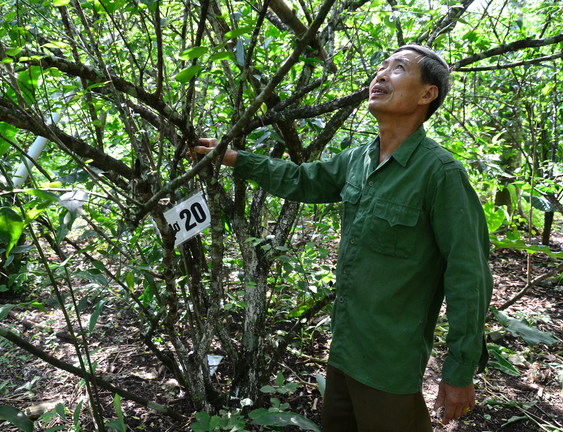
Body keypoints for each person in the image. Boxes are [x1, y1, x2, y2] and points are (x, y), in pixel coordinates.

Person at [194, 44, 493, 431]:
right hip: (344, 352)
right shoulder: (359, 159)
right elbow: (303, 180)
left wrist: (460, 370)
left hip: (390, 364)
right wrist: (235, 158)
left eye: (398, 68)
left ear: (426, 94)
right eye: (381, 67)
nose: (381, 75)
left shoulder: (440, 174)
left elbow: (468, 274)